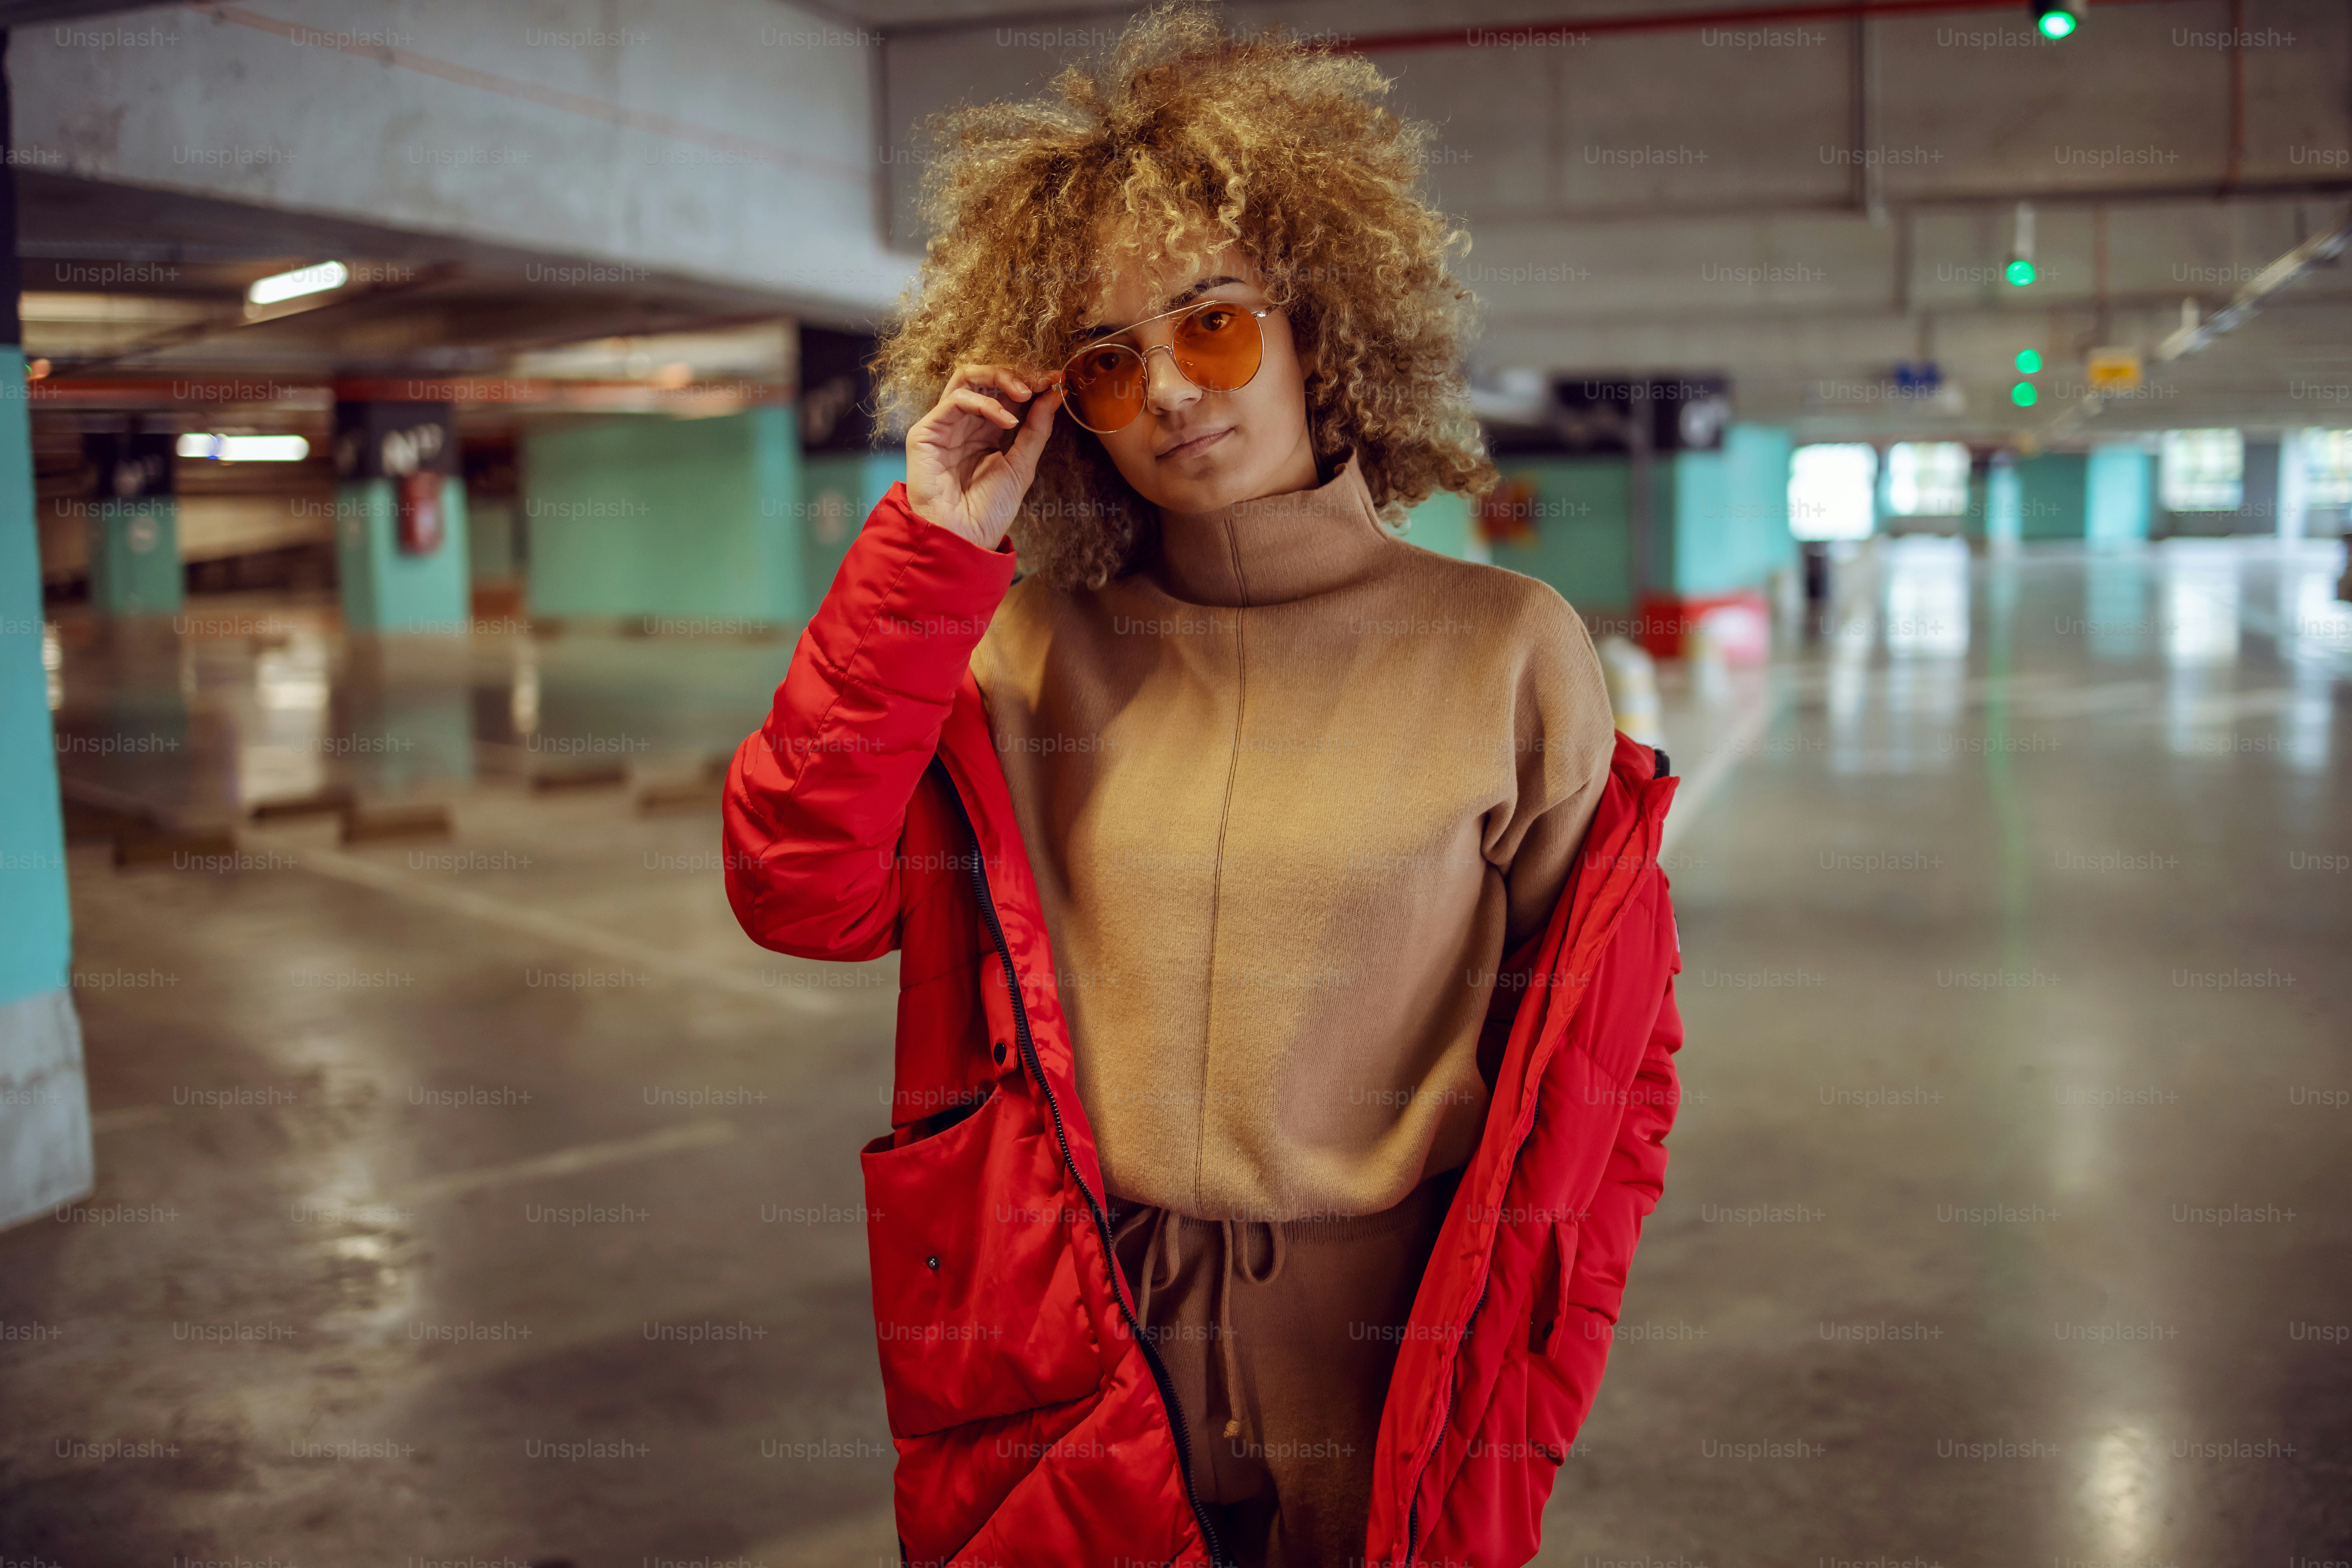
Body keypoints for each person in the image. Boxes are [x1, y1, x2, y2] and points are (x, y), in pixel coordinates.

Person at [723, 7, 1685, 1564]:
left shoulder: (1505, 650)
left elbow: (1611, 1064)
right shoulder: (1022, 656)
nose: (1170, 387)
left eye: (1214, 325)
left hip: (1391, 1361)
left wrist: (1532, 1354)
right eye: (1106, 361)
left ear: (1318, 323)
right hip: (1079, 1344)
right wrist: (934, 548)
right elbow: (794, 885)